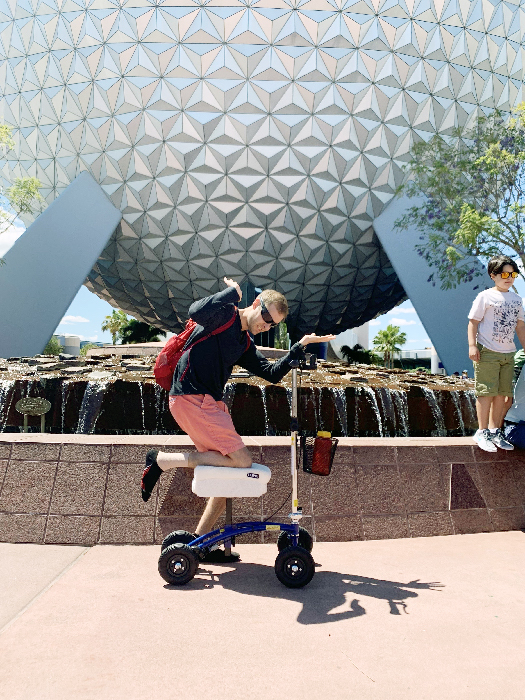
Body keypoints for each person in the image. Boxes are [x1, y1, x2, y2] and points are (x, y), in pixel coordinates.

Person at [141, 277, 335, 557]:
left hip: (207, 404)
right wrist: (230, 293)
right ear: (256, 304)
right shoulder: (225, 315)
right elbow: (195, 311)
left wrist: (298, 347)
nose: (266, 325)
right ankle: (161, 460)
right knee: (241, 461)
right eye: (266, 316)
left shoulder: (243, 343)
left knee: (228, 475)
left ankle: (200, 543)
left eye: (272, 324)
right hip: (192, 399)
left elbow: (270, 373)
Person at [468, 255, 525, 452]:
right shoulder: (485, 296)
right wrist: (472, 346)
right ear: (493, 275)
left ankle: (494, 432)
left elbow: (520, 328)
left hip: (508, 354)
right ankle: (482, 432)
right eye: (504, 274)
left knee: (502, 394)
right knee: (486, 392)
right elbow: (473, 322)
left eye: (513, 273)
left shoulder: (517, 299)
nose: (509, 277)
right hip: (488, 352)